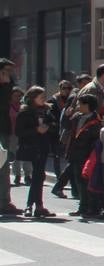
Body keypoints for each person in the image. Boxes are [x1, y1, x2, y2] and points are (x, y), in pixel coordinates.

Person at [14, 86, 56, 218]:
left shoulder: (46, 111)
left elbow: (54, 125)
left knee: (39, 176)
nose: (43, 99)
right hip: (31, 146)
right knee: (37, 176)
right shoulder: (25, 111)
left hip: (43, 146)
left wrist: (47, 127)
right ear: (33, 98)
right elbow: (19, 131)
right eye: (41, 97)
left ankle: (36, 206)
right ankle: (33, 205)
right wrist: (36, 130)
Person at [66, 94, 101, 217]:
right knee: (79, 181)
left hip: (86, 155)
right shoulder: (76, 117)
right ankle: (82, 206)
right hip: (75, 153)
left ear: (87, 105)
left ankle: (92, 207)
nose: (78, 106)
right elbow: (67, 128)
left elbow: (95, 139)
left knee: (88, 182)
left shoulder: (95, 120)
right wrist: (67, 116)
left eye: (80, 104)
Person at [49, 79, 75, 198]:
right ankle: (59, 180)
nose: (67, 91)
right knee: (57, 157)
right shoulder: (53, 101)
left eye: (69, 88)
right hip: (55, 133)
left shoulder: (72, 99)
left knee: (71, 160)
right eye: (64, 88)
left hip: (67, 133)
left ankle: (70, 188)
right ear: (60, 89)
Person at [0, 57, 16, 216]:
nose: (10, 75)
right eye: (7, 72)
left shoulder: (6, 87)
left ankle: (4, 201)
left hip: (3, 130)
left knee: (4, 167)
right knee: (3, 166)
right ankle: (4, 202)